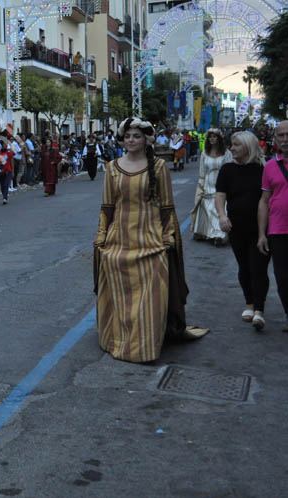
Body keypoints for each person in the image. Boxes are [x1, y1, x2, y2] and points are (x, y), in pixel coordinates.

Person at [94, 117, 202, 363]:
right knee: (119, 292)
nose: (131, 140)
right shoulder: (112, 167)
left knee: (152, 293)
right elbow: (107, 205)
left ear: (146, 141)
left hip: (150, 238)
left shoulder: (160, 167)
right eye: (128, 136)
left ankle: (145, 343)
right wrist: (101, 235)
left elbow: (166, 207)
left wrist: (168, 236)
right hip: (119, 239)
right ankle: (118, 339)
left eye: (137, 136)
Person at [215, 131, 270, 330]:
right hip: (236, 226)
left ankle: (259, 310)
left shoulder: (264, 168)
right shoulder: (227, 169)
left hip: (261, 227)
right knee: (244, 267)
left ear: (248, 146)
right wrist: (222, 216)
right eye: (232, 144)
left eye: (236, 145)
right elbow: (220, 195)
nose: (232, 148)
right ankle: (249, 302)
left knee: (258, 268)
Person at [257, 120, 288, 332]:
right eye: (281, 135)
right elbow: (264, 201)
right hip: (278, 230)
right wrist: (262, 234)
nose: (285, 140)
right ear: (275, 138)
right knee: (283, 278)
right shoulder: (269, 166)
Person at [191, 129, 232, 244]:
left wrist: (229, 184)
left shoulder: (226, 153)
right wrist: (201, 186)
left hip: (221, 182)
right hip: (208, 182)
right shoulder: (204, 153)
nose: (212, 139)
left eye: (214, 137)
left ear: (219, 138)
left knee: (219, 207)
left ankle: (219, 234)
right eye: (210, 137)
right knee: (208, 207)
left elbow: (229, 169)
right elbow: (202, 171)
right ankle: (205, 232)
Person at [0, 139, 14, 205]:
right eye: (4, 144)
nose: (6, 145)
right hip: (1, 171)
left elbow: (12, 161)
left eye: (6, 144)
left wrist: (13, 171)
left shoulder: (9, 152)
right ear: (2, 145)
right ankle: (4, 196)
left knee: (6, 184)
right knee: (2, 185)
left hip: (8, 170)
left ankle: (5, 198)